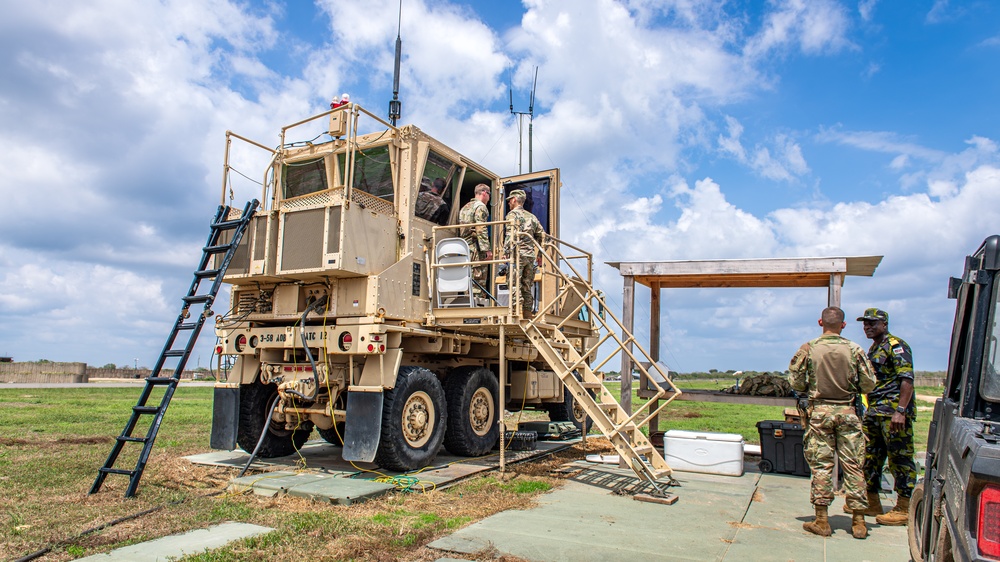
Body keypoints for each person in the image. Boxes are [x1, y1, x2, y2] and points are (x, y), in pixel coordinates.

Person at [789, 306, 876, 539]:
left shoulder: (809, 348)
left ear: (820, 322)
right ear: (844, 325)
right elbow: (869, 384)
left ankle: (821, 520)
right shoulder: (855, 349)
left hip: (819, 414)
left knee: (821, 465)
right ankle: (858, 522)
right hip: (848, 413)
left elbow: (796, 382)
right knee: (854, 465)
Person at [852, 307, 917, 526]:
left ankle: (904, 507)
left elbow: (906, 379)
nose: (867, 327)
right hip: (875, 411)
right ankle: (872, 501)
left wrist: (901, 411)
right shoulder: (874, 348)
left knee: (899, 458)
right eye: (865, 324)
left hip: (892, 413)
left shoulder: (895, 346)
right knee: (871, 456)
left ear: (884, 325)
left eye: (872, 323)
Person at [502, 189, 544, 318]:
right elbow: (542, 236)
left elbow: (510, 235)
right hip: (530, 256)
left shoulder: (511, 215)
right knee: (527, 285)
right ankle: (527, 313)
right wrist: (539, 255)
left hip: (517, 256)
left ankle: (515, 312)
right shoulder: (532, 217)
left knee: (514, 284)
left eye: (510, 200)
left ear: (514, 200)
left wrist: (506, 253)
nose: (509, 203)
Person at [459, 183, 492, 300]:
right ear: (484, 193)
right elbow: (481, 228)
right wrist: (487, 249)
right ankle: (477, 308)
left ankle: (468, 302)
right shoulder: (481, 207)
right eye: (489, 194)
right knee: (478, 281)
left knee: (468, 279)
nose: (489, 198)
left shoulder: (465, 207)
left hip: (464, 249)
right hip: (476, 249)